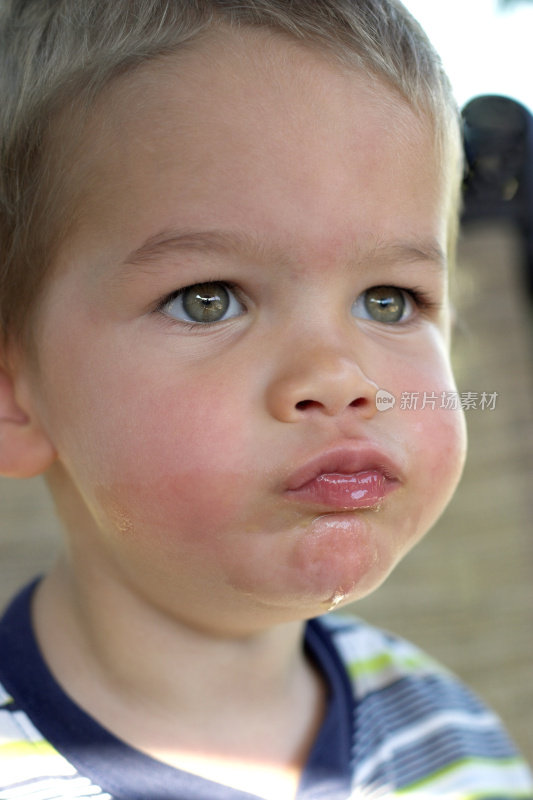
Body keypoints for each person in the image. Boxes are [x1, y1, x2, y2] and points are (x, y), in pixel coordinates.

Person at [0, 0, 531, 797]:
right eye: (207, 299)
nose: (341, 378)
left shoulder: (454, 740)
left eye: (388, 299)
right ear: (13, 395)